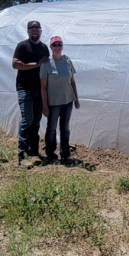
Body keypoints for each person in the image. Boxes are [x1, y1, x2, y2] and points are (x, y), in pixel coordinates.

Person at [12, 20, 50, 166]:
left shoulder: (44, 48)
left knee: (35, 122)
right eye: (32, 29)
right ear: (28, 31)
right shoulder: (22, 46)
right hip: (25, 89)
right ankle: (22, 157)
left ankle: (33, 150)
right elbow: (15, 64)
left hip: (39, 90)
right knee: (27, 121)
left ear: (41, 31)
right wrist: (36, 64)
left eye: (37, 29)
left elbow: (47, 68)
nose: (35, 31)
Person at [40, 36, 80, 164]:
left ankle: (65, 154)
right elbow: (43, 86)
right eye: (54, 45)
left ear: (62, 47)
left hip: (67, 101)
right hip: (53, 103)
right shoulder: (46, 64)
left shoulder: (67, 61)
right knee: (51, 129)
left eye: (59, 45)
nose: (57, 47)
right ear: (51, 47)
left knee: (65, 128)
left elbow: (72, 81)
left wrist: (76, 99)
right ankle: (51, 155)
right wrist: (45, 106)